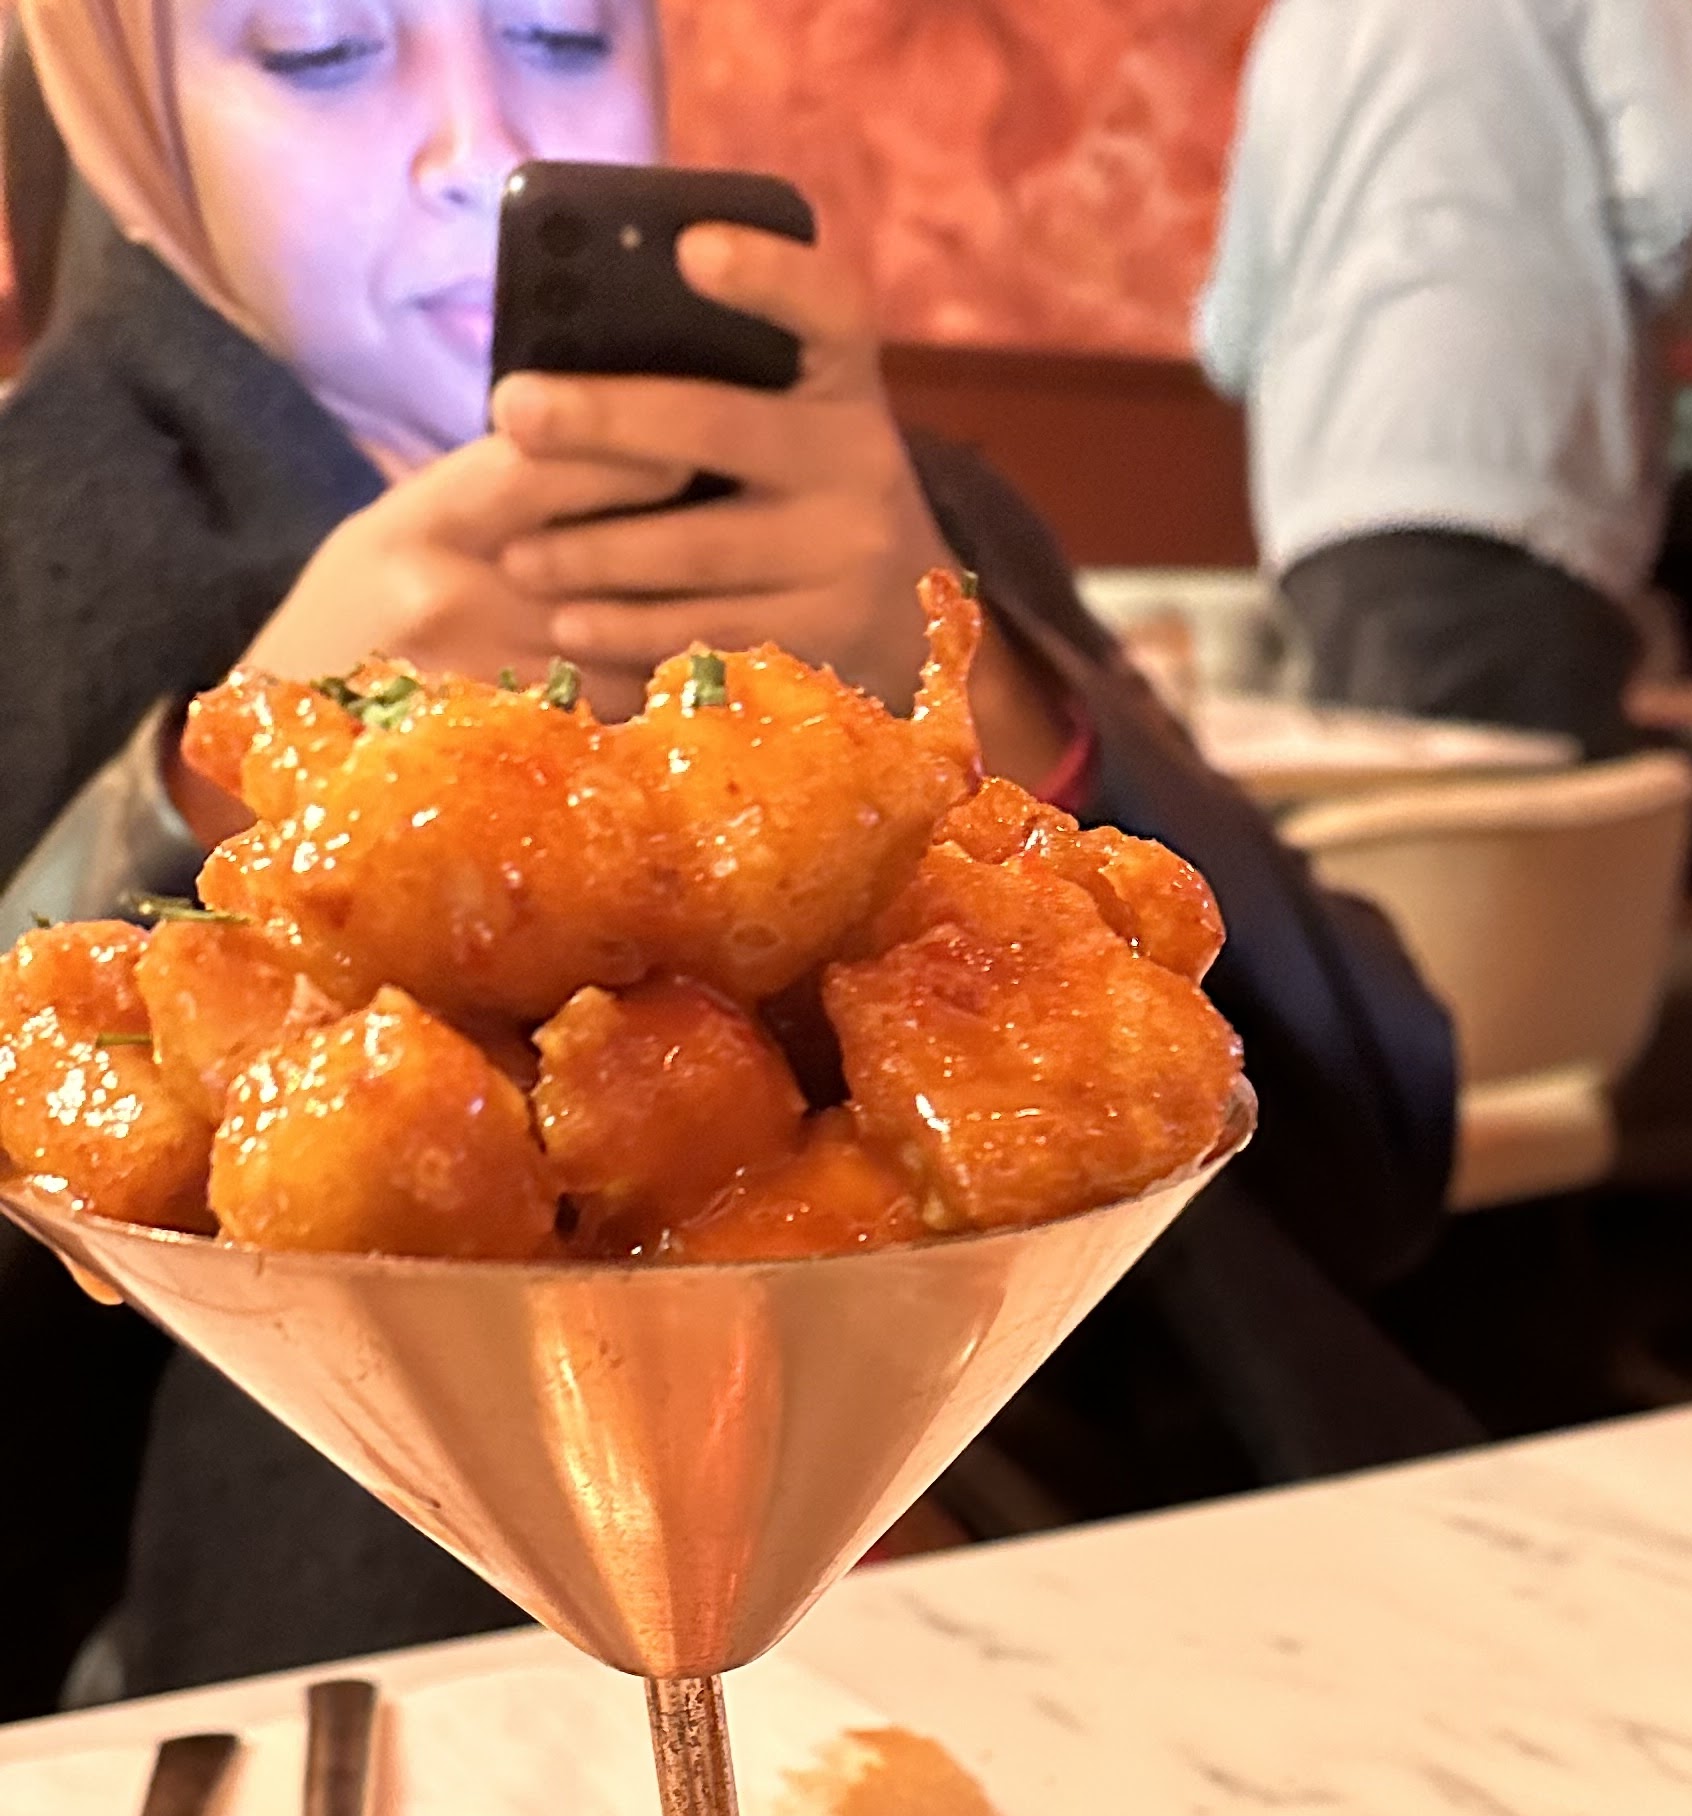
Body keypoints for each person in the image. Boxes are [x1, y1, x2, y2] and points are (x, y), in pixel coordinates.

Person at [0, 0, 1464, 1707]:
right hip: (417, 1701)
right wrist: (183, 813)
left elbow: (1382, 1144)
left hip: (1130, 1601)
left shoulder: (904, 506)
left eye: (562, 36)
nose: (482, 151)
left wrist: (989, 694)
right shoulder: (43, 539)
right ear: (128, 115)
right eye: (321, 50)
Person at [1195, 0, 1692, 760]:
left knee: (1393, 831)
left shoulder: (1298, 21)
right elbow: (1681, 204)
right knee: (1510, 834)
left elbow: (1229, 337)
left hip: (1322, 523)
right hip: (1514, 490)